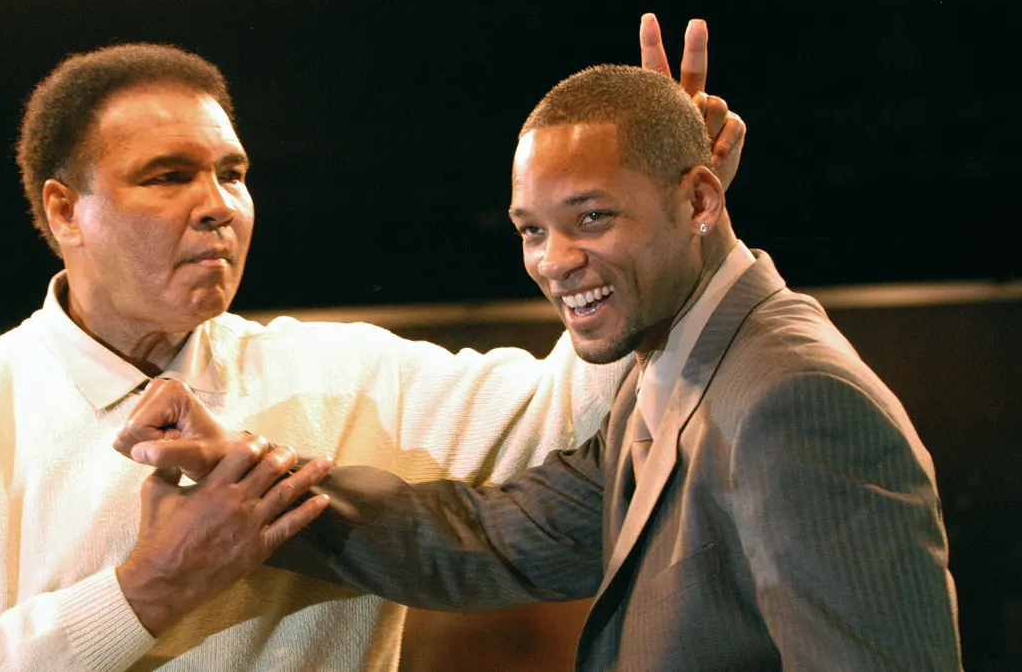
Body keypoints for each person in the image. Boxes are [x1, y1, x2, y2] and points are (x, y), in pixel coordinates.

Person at [0, 14, 742, 672]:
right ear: (64, 210)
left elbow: (573, 416)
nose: (218, 204)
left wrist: (667, 220)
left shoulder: (342, 374)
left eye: (233, 172)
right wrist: (143, 592)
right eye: (168, 175)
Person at [117, 64, 963, 670]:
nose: (554, 261)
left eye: (592, 217)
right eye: (531, 229)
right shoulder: (666, 364)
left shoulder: (794, 396)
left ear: (701, 200)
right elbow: (484, 539)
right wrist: (235, 475)